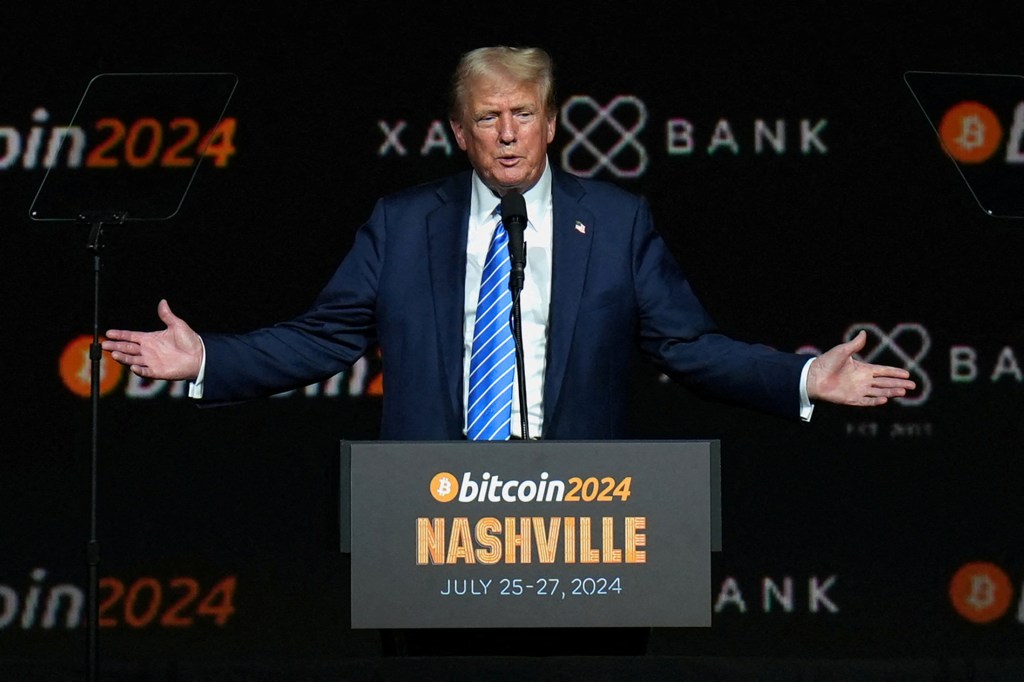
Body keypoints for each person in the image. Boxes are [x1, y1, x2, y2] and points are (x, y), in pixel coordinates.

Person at [102, 45, 915, 655]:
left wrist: (803, 374)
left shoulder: (619, 222)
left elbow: (689, 347)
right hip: (434, 538)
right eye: (488, 117)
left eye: (524, 113)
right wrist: (209, 357)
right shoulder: (402, 223)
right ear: (460, 131)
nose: (508, 134)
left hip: (585, 541)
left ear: (554, 120)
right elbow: (324, 337)